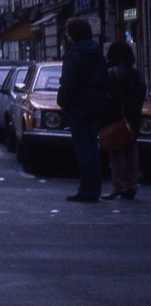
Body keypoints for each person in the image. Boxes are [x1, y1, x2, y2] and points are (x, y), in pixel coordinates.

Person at [56, 18, 109, 203]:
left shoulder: (74, 54)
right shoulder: (97, 53)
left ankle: (86, 189)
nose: (67, 36)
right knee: (93, 147)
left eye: (68, 32)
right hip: (96, 102)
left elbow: (68, 82)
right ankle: (95, 188)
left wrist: (63, 102)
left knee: (83, 148)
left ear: (73, 34)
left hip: (79, 103)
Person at [102, 42, 144, 200]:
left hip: (117, 117)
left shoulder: (112, 73)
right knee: (131, 150)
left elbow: (109, 98)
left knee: (116, 152)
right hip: (133, 118)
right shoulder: (136, 74)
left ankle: (118, 185)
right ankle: (131, 185)